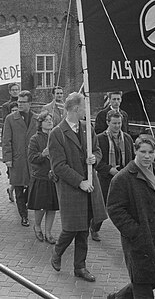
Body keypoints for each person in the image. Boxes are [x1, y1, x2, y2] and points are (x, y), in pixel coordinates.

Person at [106, 134, 155, 298]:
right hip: (138, 243)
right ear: (135, 151)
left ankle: (117, 297)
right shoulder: (122, 178)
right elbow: (114, 209)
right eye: (143, 152)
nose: (147, 156)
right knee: (143, 285)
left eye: (151, 152)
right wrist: (135, 232)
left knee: (150, 280)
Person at [48, 92, 107, 283]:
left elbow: (97, 150)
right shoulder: (57, 133)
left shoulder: (87, 128)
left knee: (83, 228)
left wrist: (94, 159)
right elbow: (58, 165)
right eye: (83, 107)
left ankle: (79, 267)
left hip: (89, 185)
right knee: (72, 227)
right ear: (75, 108)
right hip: (71, 187)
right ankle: (57, 252)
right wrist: (79, 181)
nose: (85, 111)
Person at [91, 110, 134, 241]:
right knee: (102, 205)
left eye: (119, 123)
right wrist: (109, 170)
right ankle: (94, 228)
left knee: (125, 205)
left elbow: (132, 158)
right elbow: (96, 161)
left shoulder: (127, 138)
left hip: (123, 176)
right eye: (114, 123)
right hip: (106, 178)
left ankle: (126, 230)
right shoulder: (99, 139)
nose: (117, 126)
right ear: (108, 122)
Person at [2, 90, 38, 227]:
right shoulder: (10, 119)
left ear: (30, 103)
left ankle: (26, 204)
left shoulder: (36, 118)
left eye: (23, 102)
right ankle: (23, 215)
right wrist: (8, 158)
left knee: (32, 185)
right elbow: (6, 140)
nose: (20, 104)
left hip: (32, 159)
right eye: (19, 102)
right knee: (18, 187)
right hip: (17, 159)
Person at [27, 111, 59, 244]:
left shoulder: (57, 136)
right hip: (41, 176)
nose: (49, 122)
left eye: (50, 119)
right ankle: (37, 226)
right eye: (46, 120)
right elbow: (31, 158)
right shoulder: (35, 139)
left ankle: (48, 232)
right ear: (40, 123)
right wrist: (43, 154)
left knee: (52, 207)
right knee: (41, 206)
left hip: (54, 176)